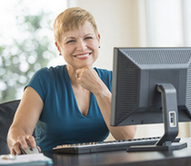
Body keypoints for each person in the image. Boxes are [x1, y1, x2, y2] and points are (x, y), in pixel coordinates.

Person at [7, 7, 137, 154]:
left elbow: (126, 135)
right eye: (70, 41)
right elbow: (18, 129)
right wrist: (18, 140)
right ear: (59, 47)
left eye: (88, 38)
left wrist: (100, 90)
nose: (81, 47)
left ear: (98, 40)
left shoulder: (112, 79)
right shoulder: (44, 79)